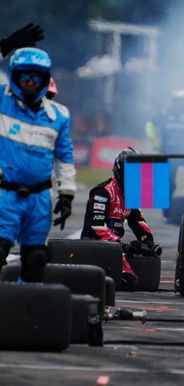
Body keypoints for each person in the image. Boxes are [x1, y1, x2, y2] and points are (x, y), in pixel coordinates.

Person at [0, 47, 76, 282]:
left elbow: (64, 156)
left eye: (36, 77)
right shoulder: (2, 102)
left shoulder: (59, 115)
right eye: (25, 76)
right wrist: (4, 48)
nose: (30, 82)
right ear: (14, 76)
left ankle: (21, 309)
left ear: (45, 79)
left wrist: (66, 194)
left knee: (35, 260)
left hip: (40, 198)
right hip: (5, 194)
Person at [81, 148, 160, 289]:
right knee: (127, 277)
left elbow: (139, 222)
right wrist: (120, 245)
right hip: (93, 244)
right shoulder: (103, 192)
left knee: (148, 254)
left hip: (116, 246)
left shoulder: (132, 195)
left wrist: (147, 242)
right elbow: (97, 226)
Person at [145, 88, 184, 196]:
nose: (182, 103)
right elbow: (149, 125)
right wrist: (155, 142)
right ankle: (167, 210)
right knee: (170, 184)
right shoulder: (164, 115)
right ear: (174, 101)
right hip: (168, 153)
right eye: (180, 100)